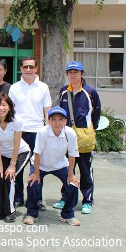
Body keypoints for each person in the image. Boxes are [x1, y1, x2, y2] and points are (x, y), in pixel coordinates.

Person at [56, 61, 101, 214]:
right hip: (66, 136)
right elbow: (59, 115)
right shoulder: (63, 91)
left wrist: (91, 129)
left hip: (84, 137)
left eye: (76, 72)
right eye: (70, 72)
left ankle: (87, 200)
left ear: (82, 74)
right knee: (67, 169)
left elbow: (96, 113)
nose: (73, 74)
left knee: (86, 170)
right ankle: (66, 198)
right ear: (67, 74)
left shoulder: (90, 91)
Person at [23, 107, 81, 226]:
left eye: (60, 119)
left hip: (60, 165)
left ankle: (68, 214)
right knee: (33, 183)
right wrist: (36, 173)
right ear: (48, 121)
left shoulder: (70, 133)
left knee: (73, 185)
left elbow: (72, 155)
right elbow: (37, 154)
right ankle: (32, 213)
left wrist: (71, 175)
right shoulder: (42, 132)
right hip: (41, 164)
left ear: (65, 121)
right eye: (53, 119)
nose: (57, 122)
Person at [8, 57, 52, 210]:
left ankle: (36, 199)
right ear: (21, 68)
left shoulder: (43, 87)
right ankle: (18, 198)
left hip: (38, 132)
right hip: (19, 132)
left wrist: (48, 130)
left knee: (37, 168)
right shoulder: (14, 88)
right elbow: (10, 110)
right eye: (25, 66)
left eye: (31, 67)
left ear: (36, 68)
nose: (28, 69)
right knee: (18, 167)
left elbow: (48, 110)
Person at [0, 93, 31, 223]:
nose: (1, 108)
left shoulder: (17, 121)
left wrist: (12, 165)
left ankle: (10, 211)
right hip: (3, 155)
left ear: (10, 107)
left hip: (21, 153)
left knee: (10, 177)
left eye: (4, 105)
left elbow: (17, 144)